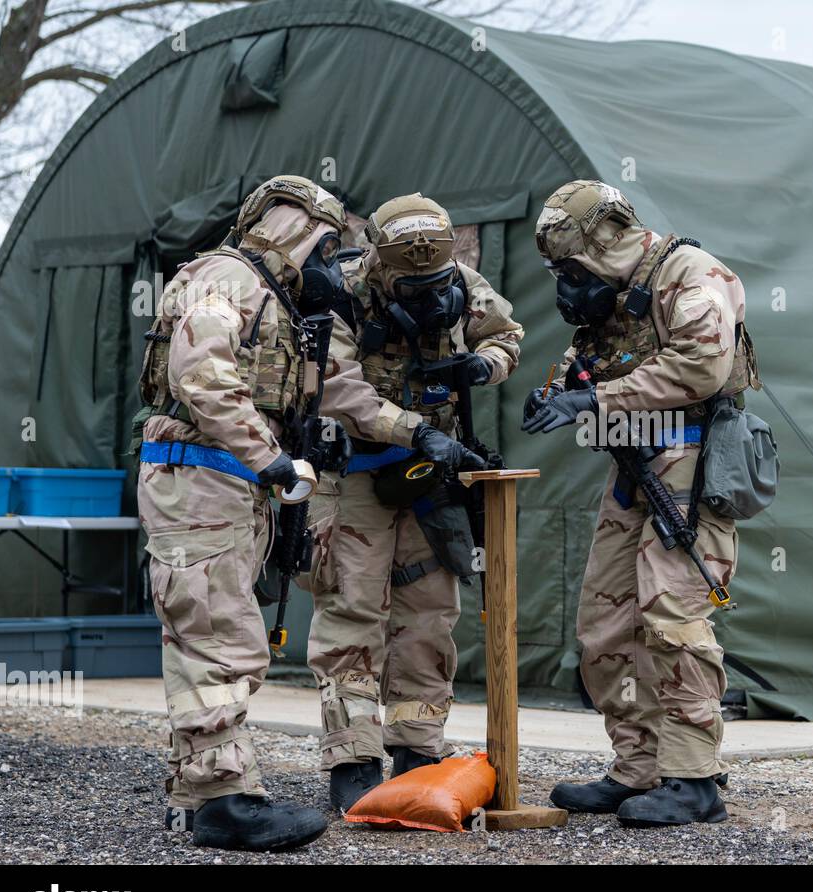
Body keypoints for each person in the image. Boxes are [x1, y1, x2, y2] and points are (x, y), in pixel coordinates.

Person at [523, 179, 759, 827]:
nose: (566, 281)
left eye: (568, 265)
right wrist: (558, 392)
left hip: (690, 466)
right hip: (632, 467)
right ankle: (639, 766)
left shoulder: (689, 273)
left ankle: (693, 777)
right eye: (558, 271)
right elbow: (587, 361)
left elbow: (701, 365)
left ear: (601, 238)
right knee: (605, 626)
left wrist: (596, 401)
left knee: (673, 618)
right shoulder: (609, 292)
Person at [136, 174, 353, 851]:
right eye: (325, 245)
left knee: (200, 634)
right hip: (208, 482)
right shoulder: (227, 279)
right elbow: (201, 375)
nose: (328, 262)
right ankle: (227, 799)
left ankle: (193, 792)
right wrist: (274, 461)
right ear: (295, 227)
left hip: (220, 484)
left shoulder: (263, 289)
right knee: (221, 640)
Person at [303, 193, 523, 811]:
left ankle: (417, 750)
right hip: (354, 475)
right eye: (410, 282)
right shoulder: (335, 292)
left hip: (432, 478)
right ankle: (353, 758)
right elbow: (336, 388)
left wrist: (484, 365)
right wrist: (413, 429)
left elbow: (508, 334)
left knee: (428, 614)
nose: (427, 291)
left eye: (435, 279)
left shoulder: (462, 281)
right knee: (352, 615)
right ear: (377, 260)